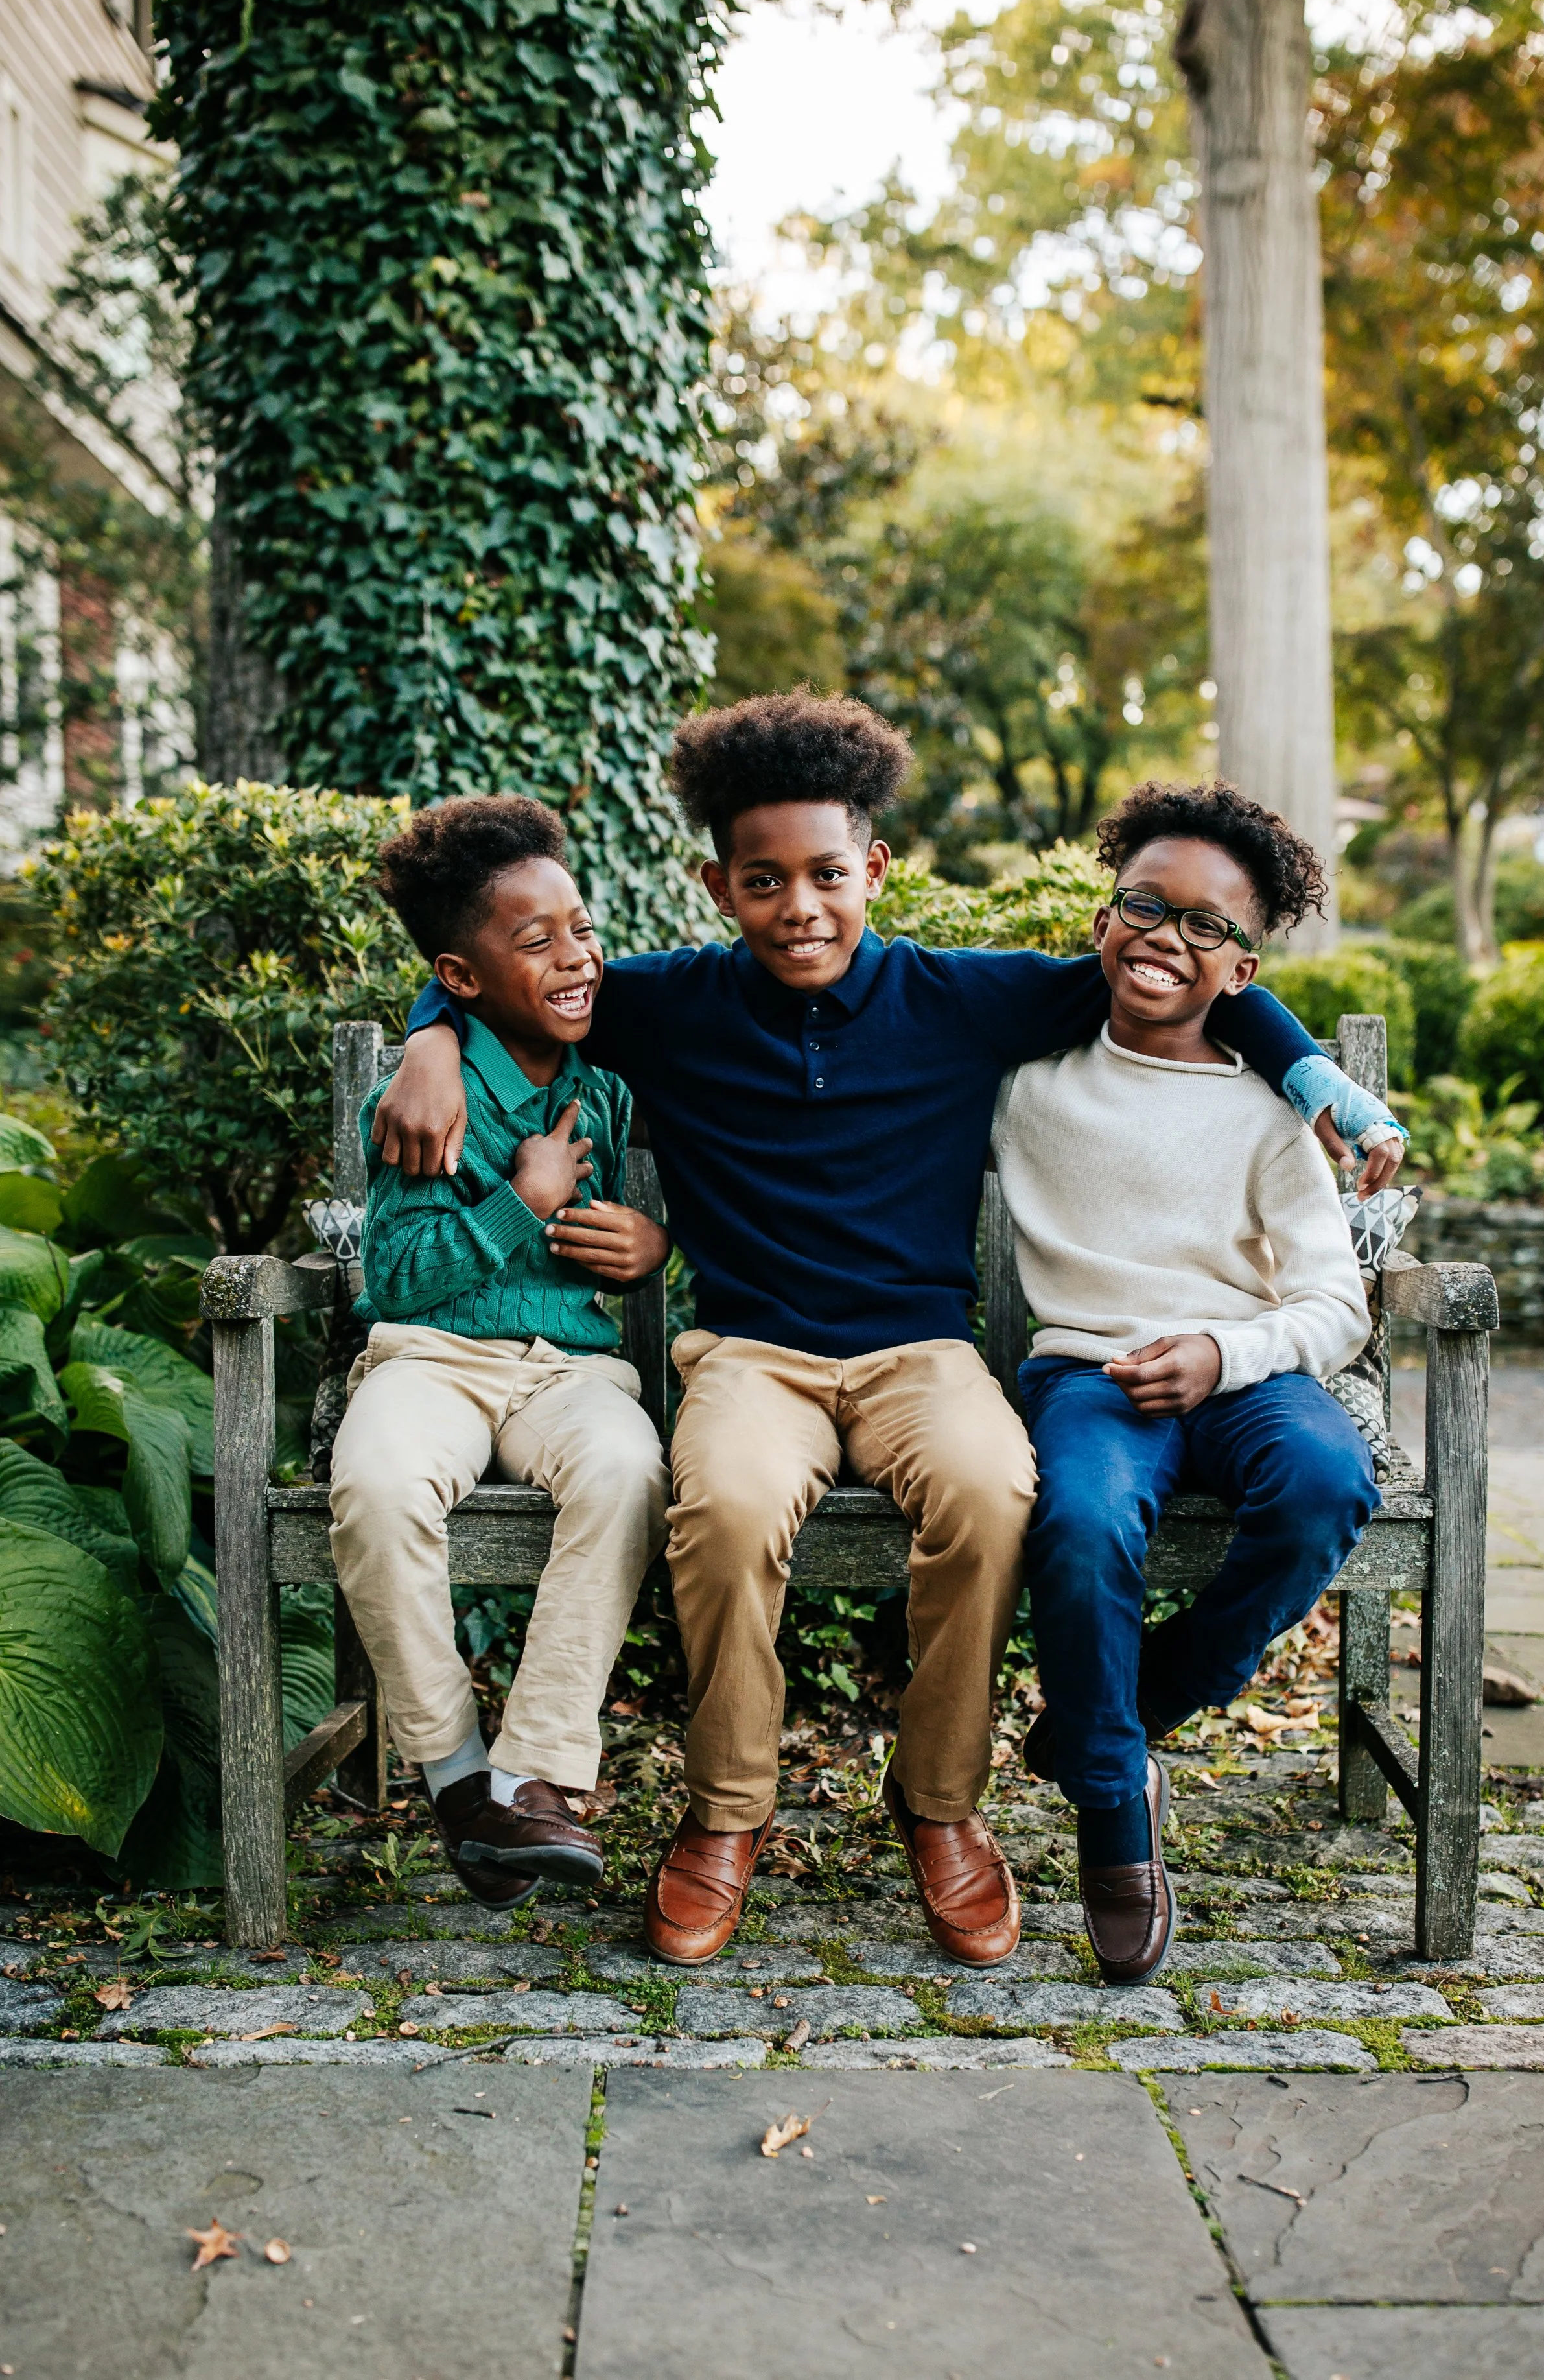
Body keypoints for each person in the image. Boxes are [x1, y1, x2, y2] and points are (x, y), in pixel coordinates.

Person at [373, 692, 1403, 1966]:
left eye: (823, 875)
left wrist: (1308, 1075)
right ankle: (725, 1817)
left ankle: (939, 1807)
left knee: (987, 1492)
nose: (797, 906)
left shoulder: (962, 1000)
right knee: (730, 1507)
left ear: (873, 869)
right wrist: (428, 1041)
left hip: (923, 1356)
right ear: (717, 885)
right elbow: (516, 990)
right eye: (762, 881)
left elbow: (1173, 970)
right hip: (752, 1358)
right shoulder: (670, 1005)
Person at [996, 780, 1382, 1986]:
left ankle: (1144, 1702)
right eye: (1143, 906)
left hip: (1246, 1371)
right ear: (1104, 921)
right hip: (1092, 1374)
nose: (1167, 934)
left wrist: (1226, 1352)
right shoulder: (1027, 1077)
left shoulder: (1272, 1113)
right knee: (1080, 1521)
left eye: (1206, 925)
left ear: (1242, 970)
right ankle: (1116, 1816)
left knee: (1327, 1481)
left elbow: (1337, 1303)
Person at [329, 795, 671, 1908]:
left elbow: (673, 1217)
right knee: (376, 1485)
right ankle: (457, 1777)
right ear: (460, 975)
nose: (575, 957)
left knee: (627, 1471)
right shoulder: (426, 1097)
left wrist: (654, 1244)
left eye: (580, 927)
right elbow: (397, 1277)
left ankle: (532, 1781)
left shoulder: (605, 1076)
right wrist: (522, 1200)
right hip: (431, 1357)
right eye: (537, 942)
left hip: (572, 1371)